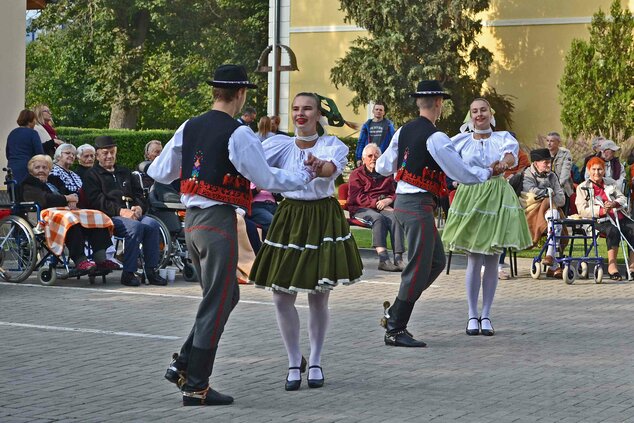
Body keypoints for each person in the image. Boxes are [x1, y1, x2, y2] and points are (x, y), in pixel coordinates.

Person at [147, 65, 316, 406]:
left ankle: (183, 363)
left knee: (221, 297)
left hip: (191, 222)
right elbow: (265, 177)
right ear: (240, 95)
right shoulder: (238, 133)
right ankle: (195, 385)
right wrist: (302, 177)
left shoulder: (188, 126)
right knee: (220, 300)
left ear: (215, 92)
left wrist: (197, 169)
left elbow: (158, 170)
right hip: (217, 220)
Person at [248, 92, 363, 390]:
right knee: (281, 296)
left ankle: (315, 360)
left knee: (318, 294)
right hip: (289, 217)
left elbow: (329, 170)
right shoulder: (278, 143)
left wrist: (317, 165)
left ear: (318, 114)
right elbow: (250, 164)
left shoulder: (332, 145)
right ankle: (292, 361)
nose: (301, 114)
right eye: (296, 108)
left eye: (307, 109)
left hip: (321, 217)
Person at [375, 81, 500, 348]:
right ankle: (395, 329)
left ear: (420, 104)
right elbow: (460, 173)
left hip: (408, 203)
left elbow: (384, 166)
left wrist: (408, 163)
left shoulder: (402, 131)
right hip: (416, 205)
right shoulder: (436, 137)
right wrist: (488, 172)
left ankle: (394, 313)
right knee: (419, 266)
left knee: (435, 262)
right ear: (439, 104)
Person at [442, 97, 532, 337]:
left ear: (490, 114)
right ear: (470, 116)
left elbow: (510, 157)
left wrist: (503, 164)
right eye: (474, 111)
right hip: (470, 196)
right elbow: (445, 161)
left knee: (492, 258)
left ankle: (487, 314)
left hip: (496, 196)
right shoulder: (459, 141)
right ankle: (472, 314)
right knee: (474, 258)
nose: (479, 114)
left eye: (483, 110)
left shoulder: (503, 138)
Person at [83, 136, 167, 287]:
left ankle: (151, 271)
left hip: (133, 214)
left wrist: (140, 207)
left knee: (153, 224)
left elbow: (139, 194)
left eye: (112, 152)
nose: (109, 156)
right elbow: (97, 201)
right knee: (135, 227)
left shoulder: (124, 171)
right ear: (97, 155)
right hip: (109, 217)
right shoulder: (92, 175)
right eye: (105, 153)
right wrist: (121, 211)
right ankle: (128, 273)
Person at [20, 155, 117, 271]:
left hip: (65, 213)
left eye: (44, 167)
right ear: (31, 170)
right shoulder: (29, 182)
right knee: (71, 221)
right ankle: (80, 260)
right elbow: (44, 199)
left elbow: (70, 193)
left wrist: (73, 198)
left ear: (49, 169)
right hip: (44, 217)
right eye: (37, 167)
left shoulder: (54, 180)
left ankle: (101, 259)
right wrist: (66, 198)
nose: (41, 170)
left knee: (96, 217)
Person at [348, 143, 404, 272]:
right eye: (370, 156)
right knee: (378, 219)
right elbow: (357, 197)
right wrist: (378, 202)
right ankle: (383, 259)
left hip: (382, 206)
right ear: (363, 159)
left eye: (376, 155)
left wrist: (389, 200)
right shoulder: (356, 174)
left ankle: (398, 258)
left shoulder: (386, 173)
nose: (373, 158)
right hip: (360, 209)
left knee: (396, 217)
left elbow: (396, 191)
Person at [576, 157, 634, 281]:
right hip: (598, 220)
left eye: (600, 169)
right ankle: (612, 267)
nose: (597, 172)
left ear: (604, 170)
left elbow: (622, 198)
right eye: (594, 169)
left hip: (618, 215)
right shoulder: (582, 187)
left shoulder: (611, 182)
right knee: (613, 230)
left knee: (633, 228)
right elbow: (582, 209)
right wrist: (601, 211)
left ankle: (632, 267)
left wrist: (614, 203)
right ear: (588, 170)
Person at [521, 148, 566, 279]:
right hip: (531, 212)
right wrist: (549, 193)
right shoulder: (527, 174)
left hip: (550, 210)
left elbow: (561, 199)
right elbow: (530, 192)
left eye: (549, 162)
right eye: (545, 162)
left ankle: (550, 257)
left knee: (554, 215)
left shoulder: (552, 175)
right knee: (554, 215)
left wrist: (548, 196)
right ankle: (553, 265)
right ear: (536, 163)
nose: (548, 165)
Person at [6, 109, 44, 185]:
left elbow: (8, 153)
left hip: (12, 167)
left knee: (13, 193)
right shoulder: (33, 133)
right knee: (26, 193)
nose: (34, 123)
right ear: (30, 121)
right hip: (27, 168)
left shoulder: (12, 133)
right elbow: (39, 154)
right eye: (34, 120)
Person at [355, 101, 396, 167]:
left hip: (383, 158)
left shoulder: (389, 125)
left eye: (380, 110)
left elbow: (393, 141)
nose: (378, 111)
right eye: (376, 109)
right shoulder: (367, 125)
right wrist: (359, 158)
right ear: (373, 111)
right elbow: (361, 142)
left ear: (384, 112)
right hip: (369, 158)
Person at [546, 132, 574, 213]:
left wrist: (556, 187)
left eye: (552, 141)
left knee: (562, 215)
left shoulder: (565, 153)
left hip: (563, 187)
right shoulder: (545, 154)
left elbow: (565, 173)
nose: (549, 143)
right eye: (547, 141)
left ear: (558, 142)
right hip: (548, 188)